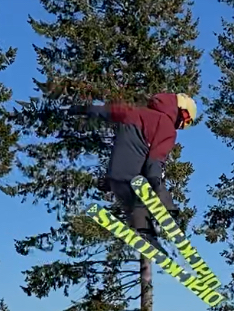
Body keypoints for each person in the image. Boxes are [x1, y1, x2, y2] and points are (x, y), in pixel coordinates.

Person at [68, 92, 197, 239]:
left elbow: (108, 111)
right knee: (156, 185)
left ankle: (145, 230)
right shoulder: (166, 125)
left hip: (115, 178)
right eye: (186, 120)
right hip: (133, 177)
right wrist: (155, 180)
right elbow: (157, 157)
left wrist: (83, 110)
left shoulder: (134, 112)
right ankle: (168, 214)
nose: (181, 125)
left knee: (134, 207)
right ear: (180, 109)